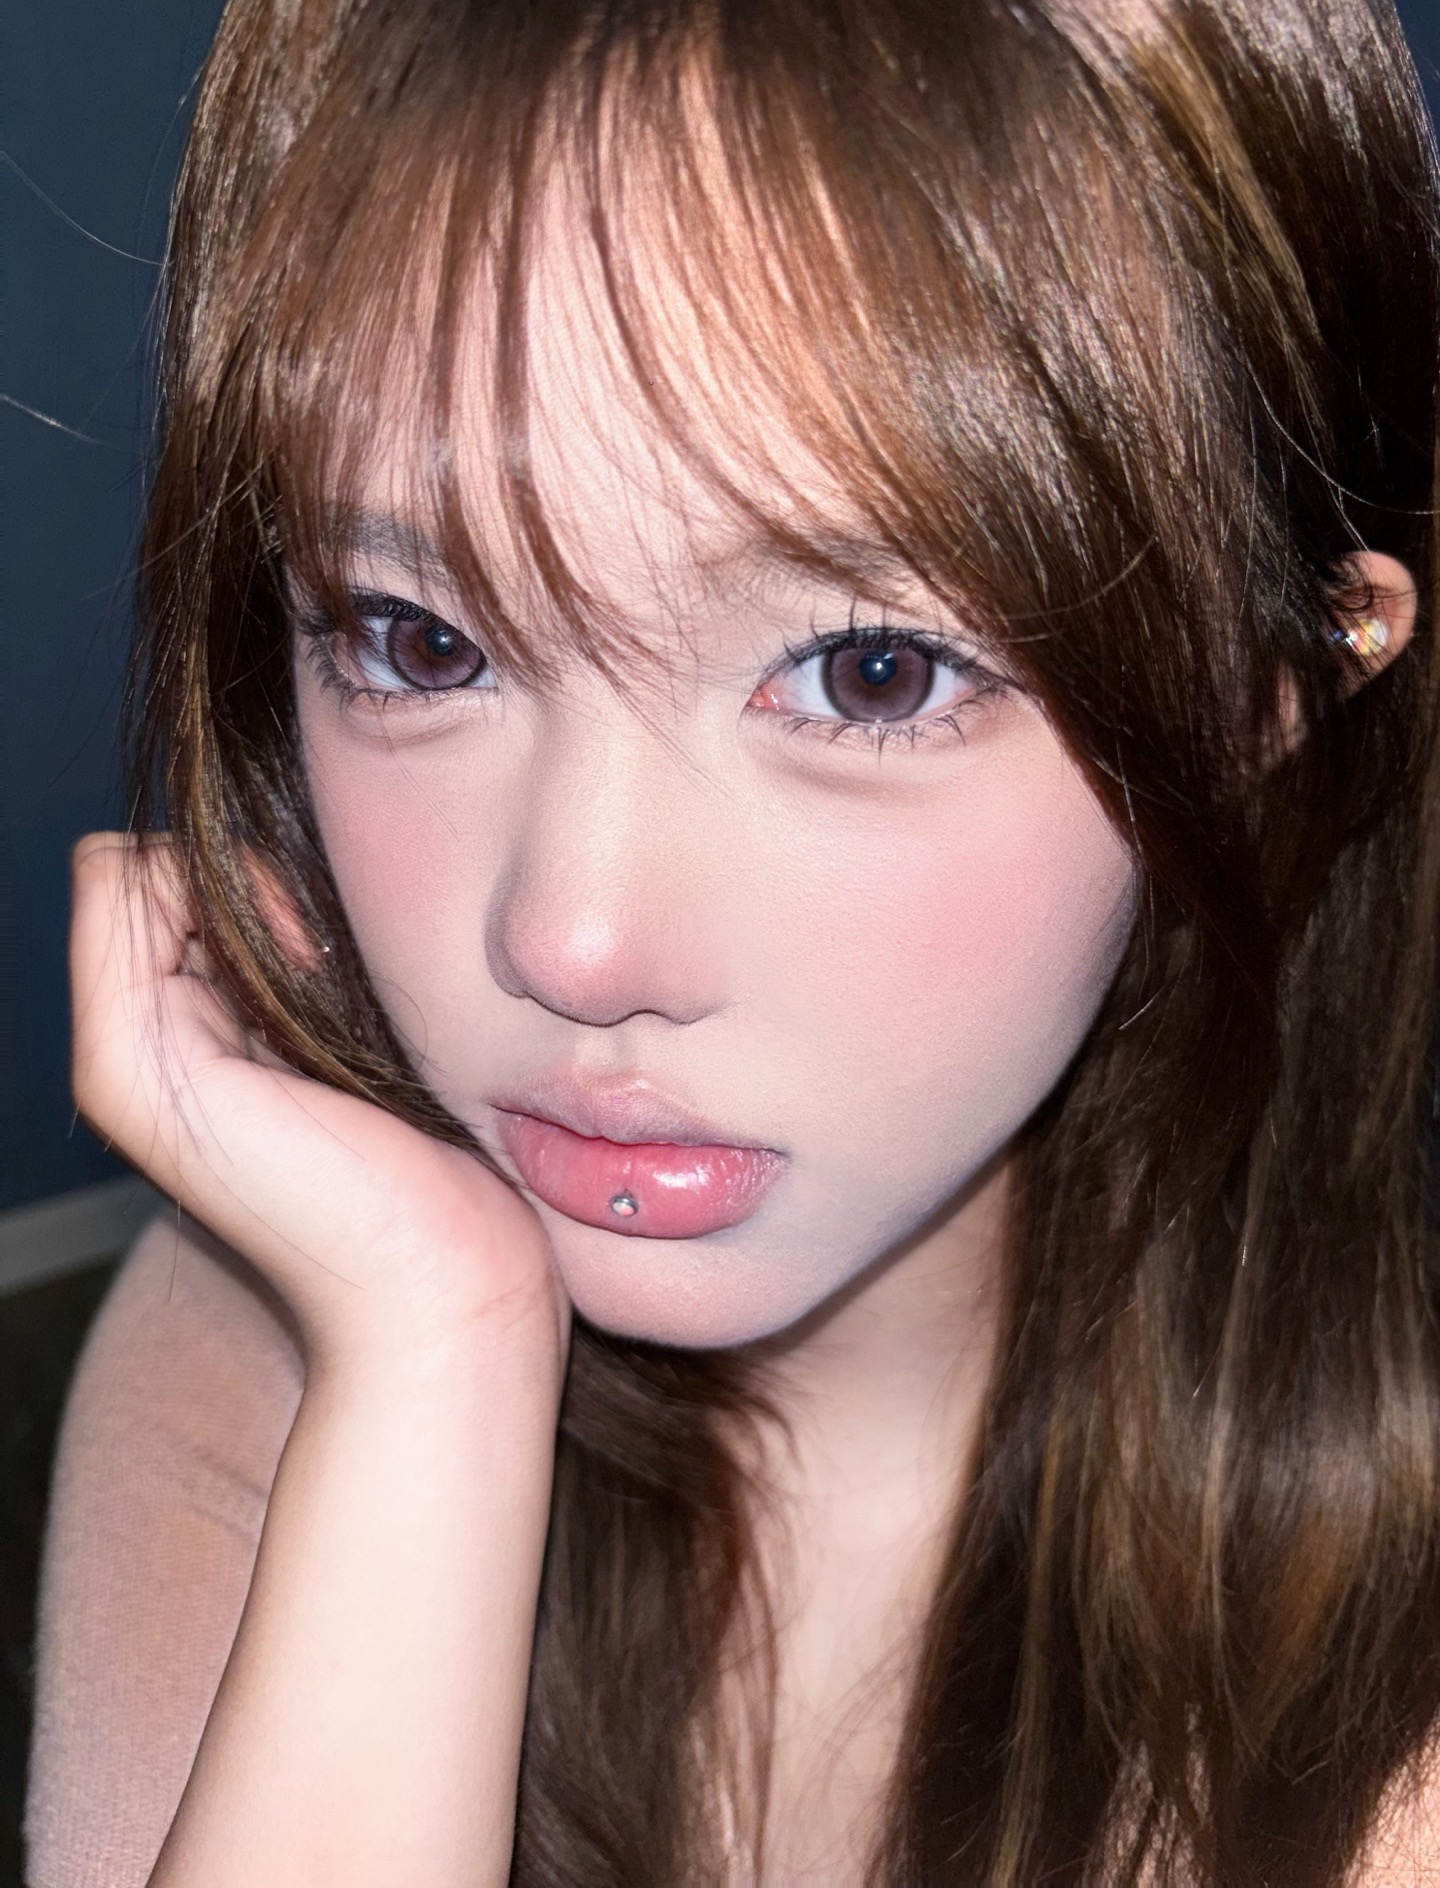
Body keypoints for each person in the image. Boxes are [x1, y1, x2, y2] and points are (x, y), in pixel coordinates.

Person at [23, 0, 1440, 1880]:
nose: (577, 938)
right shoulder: (287, 1328)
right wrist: (440, 1358)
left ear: (1270, 691)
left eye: (869, 675)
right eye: (420, 641)